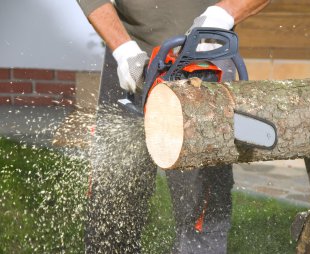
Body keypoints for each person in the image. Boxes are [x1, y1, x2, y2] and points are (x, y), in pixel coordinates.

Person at [77, 1, 269, 253]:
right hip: (127, 50)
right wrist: (123, 50)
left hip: (206, 52)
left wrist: (224, 13)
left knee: (203, 212)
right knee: (111, 207)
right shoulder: (125, 51)